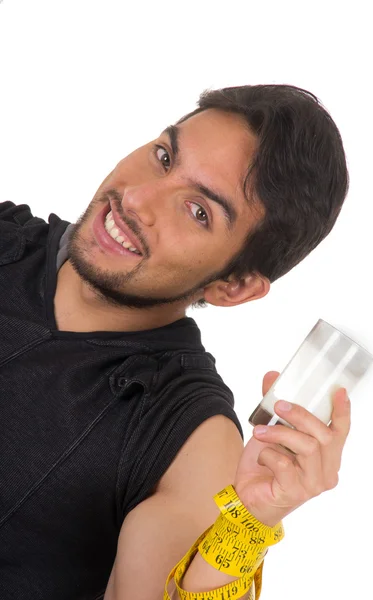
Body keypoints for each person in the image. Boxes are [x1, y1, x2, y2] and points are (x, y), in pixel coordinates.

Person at [0, 84, 351, 600]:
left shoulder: (186, 437)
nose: (138, 199)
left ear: (234, 286)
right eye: (164, 156)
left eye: (199, 211)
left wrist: (247, 525)